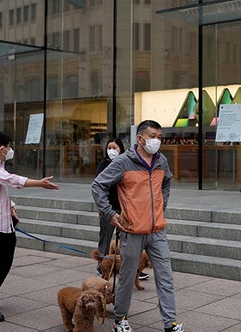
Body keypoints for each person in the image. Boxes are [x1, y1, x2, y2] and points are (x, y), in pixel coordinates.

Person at [91, 120, 184, 332]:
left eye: (159, 137)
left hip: (157, 230)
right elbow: (98, 185)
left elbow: (166, 182)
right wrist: (110, 214)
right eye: (152, 136)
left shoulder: (162, 161)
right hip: (131, 230)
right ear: (140, 138)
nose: (156, 141)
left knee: (166, 277)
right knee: (126, 277)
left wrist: (162, 204)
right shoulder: (124, 162)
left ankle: (170, 324)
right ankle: (120, 320)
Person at [0, 130, 59, 322]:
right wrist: (39, 183)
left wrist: (11, 207)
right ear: (2, 148)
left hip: (3, 222)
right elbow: (8, 180)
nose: (11, 151)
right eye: (9, 147)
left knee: (5, 261)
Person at [95, 138, 150, 280]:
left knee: (126, 240)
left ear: (121, 149)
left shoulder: (127, 164)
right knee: (106, 238)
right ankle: (102, 265)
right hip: (109, 208)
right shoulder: (104, 165)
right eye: (109, 147)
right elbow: (100, 186)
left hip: (125, 208)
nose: (112, 150)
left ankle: (133, 267)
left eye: (115, 148)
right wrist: (104, 209)